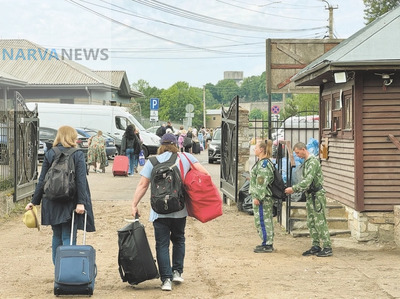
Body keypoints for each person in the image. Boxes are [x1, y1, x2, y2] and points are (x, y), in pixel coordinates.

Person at [131, 133, 209, 291]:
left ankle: (166, 280)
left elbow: (142, 185)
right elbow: (205, 174)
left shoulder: (152, 161)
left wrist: (134, 204)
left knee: (162, 245)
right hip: (180, 208)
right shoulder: (186, 158)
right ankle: (177, 272)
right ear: (176, 144)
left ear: (161, 145)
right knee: (179, 239)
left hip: (159, 211)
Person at [25, 126, 95, 265]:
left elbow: (42, 179)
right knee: (68, 235)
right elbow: (81, 180)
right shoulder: (77, 154)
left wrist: (34, 201)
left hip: (51, 201)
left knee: (56, 235)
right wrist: (81, 202)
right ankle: (68, 272)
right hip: (70, 201)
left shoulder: (50, 153)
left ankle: (59, 271)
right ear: (72, 137)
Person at [284, 142, 332, 257]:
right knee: (311, 222)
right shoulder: (307, 162)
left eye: (298, 152)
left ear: (304, 149)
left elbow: (307, 182)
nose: (297, 155)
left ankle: (327, 246)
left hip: (317, 195)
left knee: (320, 221)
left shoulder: (313, 162)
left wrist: (294, 189)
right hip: (310, 195)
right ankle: (315, 245)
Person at [249, 140, 275, 253]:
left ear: (261, 150)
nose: (254, 150)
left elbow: (261, 183)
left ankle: (267, 244)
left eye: (256, 148)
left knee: (263, 220)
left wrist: (258, 197)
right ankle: (265, 242)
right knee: (262, 220)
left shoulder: (264, 165)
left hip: (263, 198)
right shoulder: (261, 163)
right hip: (262, 197)